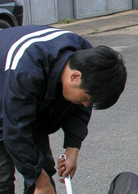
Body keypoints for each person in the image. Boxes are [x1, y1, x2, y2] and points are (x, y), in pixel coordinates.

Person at [0, 25, 127, 194]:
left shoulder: (87, 59)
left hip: (22, 94)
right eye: (85, 99)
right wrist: (39, 179)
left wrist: (72, 149)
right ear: (75, 77)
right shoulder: (27, 72)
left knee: (42, 168)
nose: (85, 105)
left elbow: (79, 109)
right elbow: (15, 130)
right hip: (8, 85)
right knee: (3, 176)